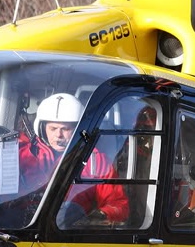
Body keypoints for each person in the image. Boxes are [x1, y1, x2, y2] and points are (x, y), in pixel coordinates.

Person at [19, 92, 129, 226]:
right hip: (23, 227)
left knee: (66, 211)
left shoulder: (95, 160)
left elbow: (119, 204)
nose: (58, 135)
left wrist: (100, 215)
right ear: (42, 128)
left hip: (66, 231)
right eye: (53, 128)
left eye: (65, 129)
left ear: (78, 129)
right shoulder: (23, 155)